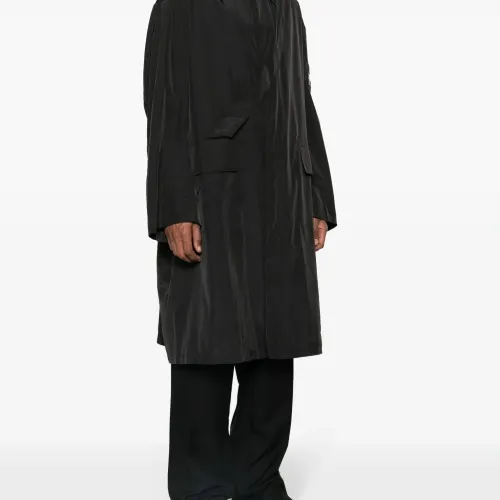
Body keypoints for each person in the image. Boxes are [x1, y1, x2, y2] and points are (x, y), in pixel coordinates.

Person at [143, 0, 336, 498]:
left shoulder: (286, 4)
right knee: (206, 345)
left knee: (275, 345)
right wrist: (173, 205)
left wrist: (316, 192)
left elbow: (300, 96)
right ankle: (200, 488)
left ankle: (259, 481)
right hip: (211, 195)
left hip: (283, 193)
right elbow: (164, 102)